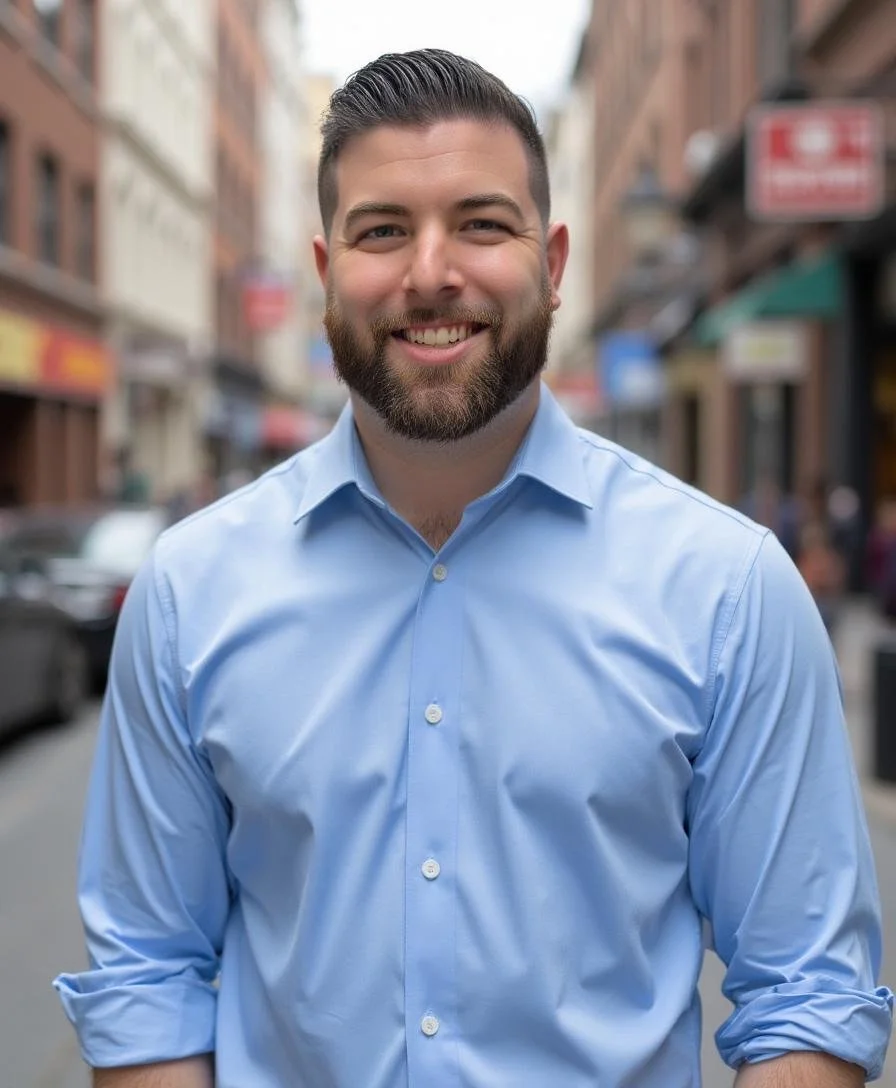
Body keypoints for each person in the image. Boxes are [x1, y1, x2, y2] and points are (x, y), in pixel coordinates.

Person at [54, 50, 892, 1087]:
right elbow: (148, 978)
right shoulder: (188, 591)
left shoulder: (726, 587)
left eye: (482, 224)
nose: (429, 272)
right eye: (382, 230)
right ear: (323, 275)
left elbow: (805, 986)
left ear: (553, 262)